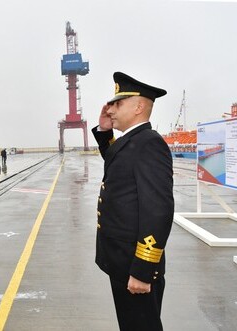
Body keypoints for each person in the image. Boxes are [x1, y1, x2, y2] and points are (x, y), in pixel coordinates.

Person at [92, 72, 174, 331]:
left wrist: (143, 268)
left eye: (118, 103)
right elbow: (118, 162)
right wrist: (105, 132)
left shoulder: (149, 144)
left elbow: (158, 210)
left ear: (139, 106)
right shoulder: (133, 141)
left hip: (134, 265)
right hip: (122, 261)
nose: (110, 109)